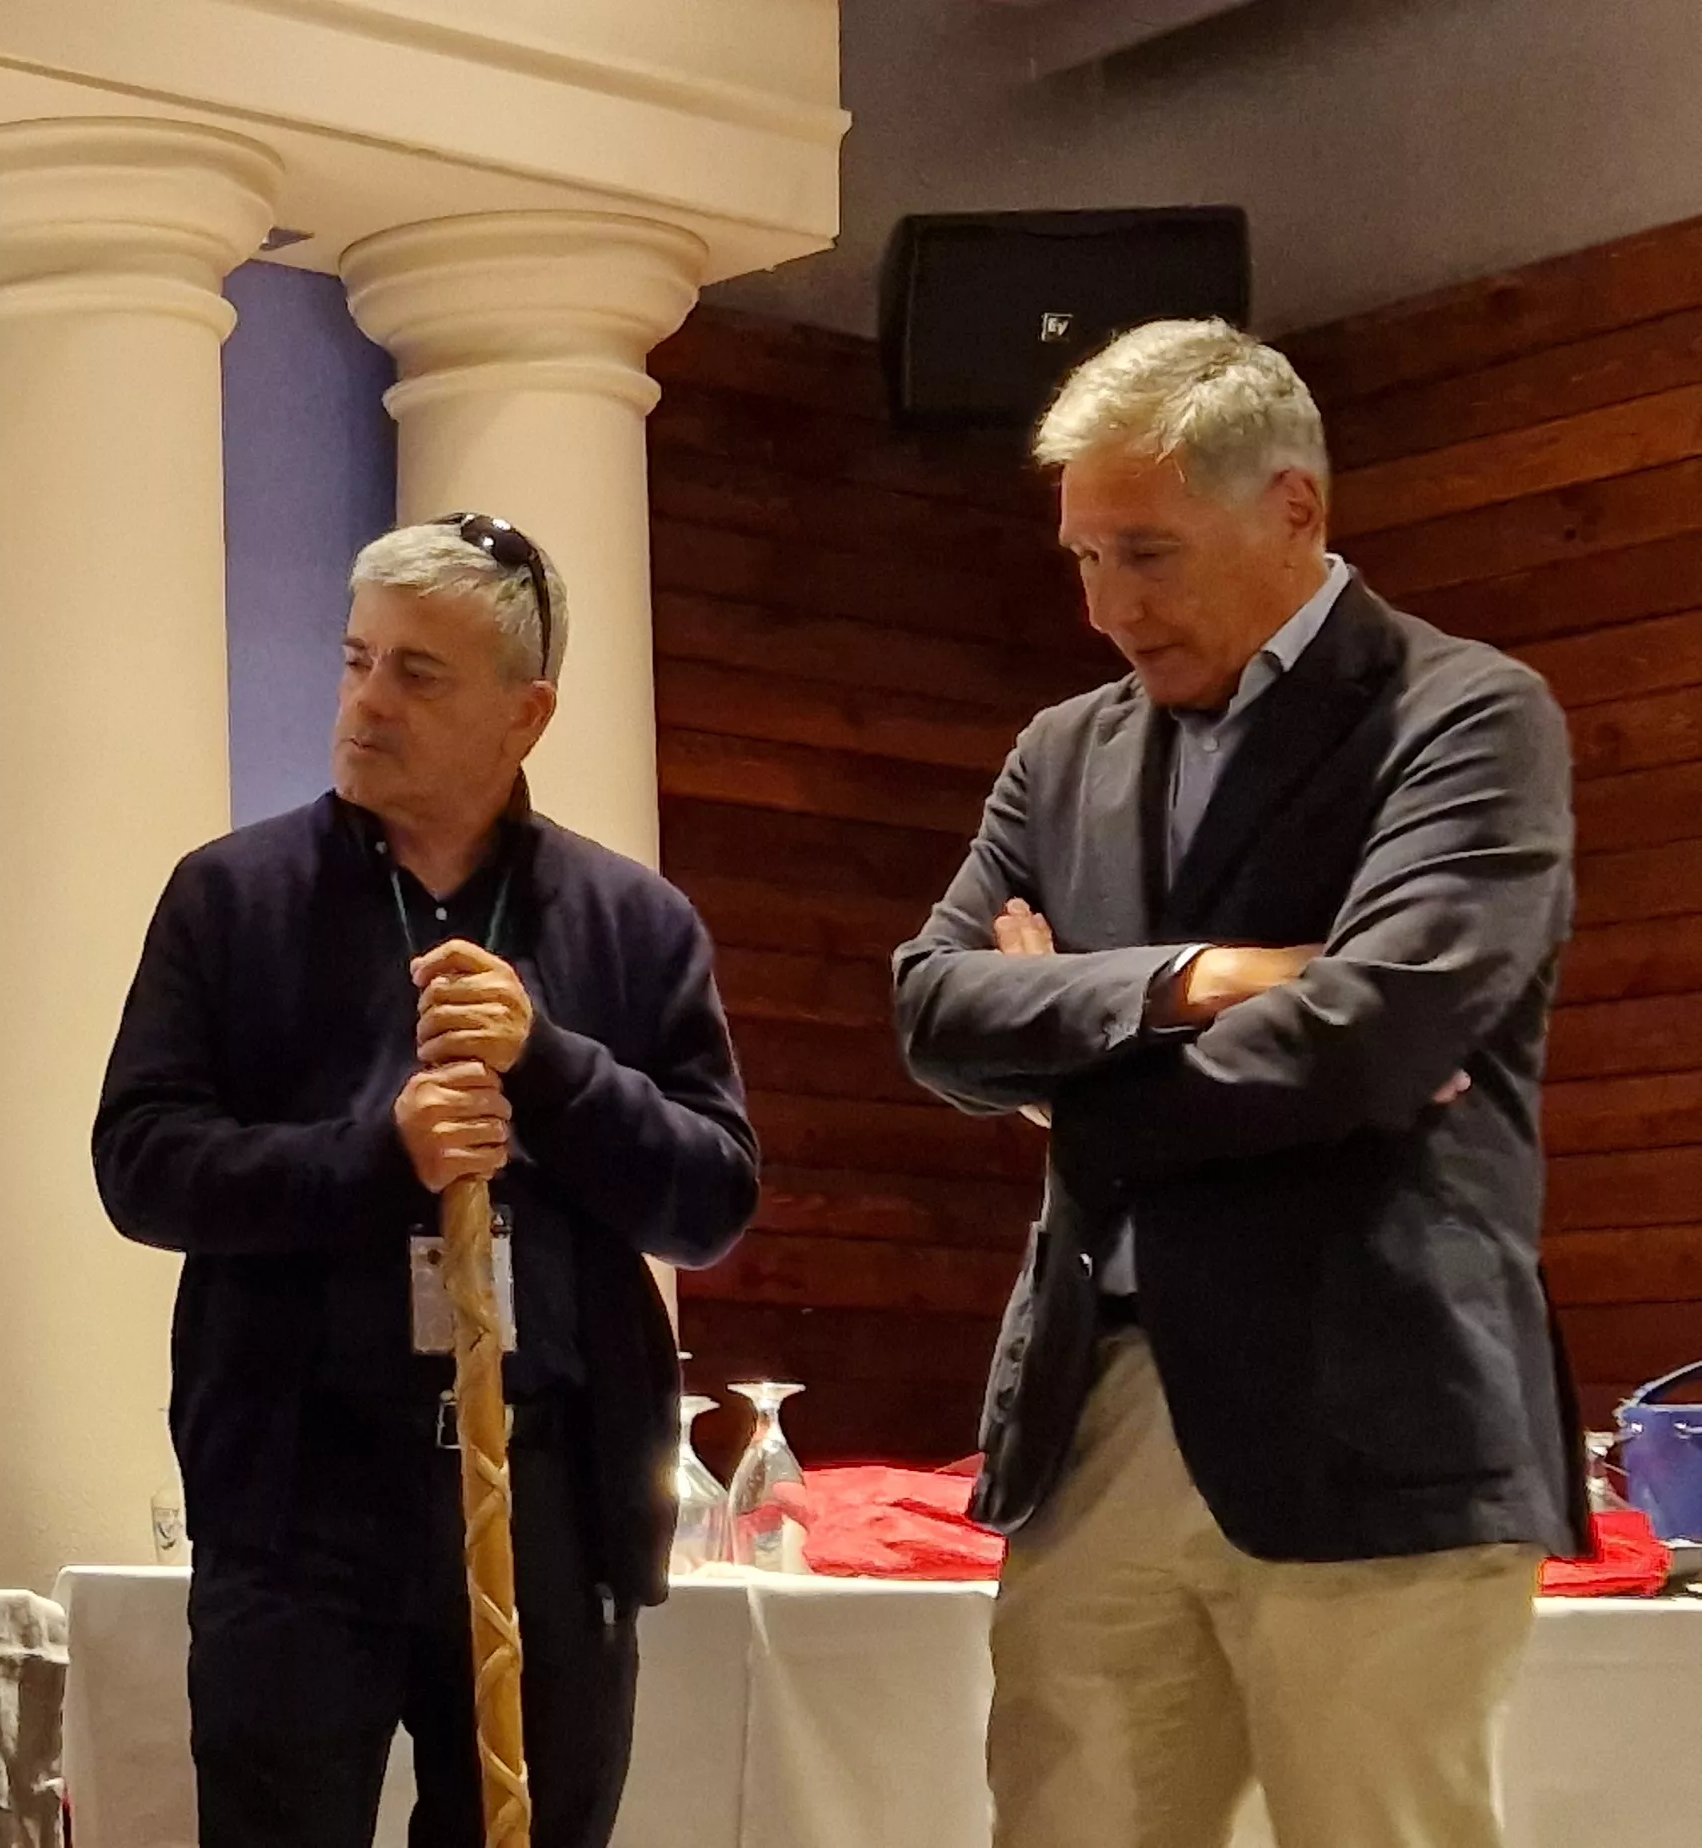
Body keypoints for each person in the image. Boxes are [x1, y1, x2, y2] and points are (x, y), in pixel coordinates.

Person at [892, 318, 1585, 1848]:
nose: (1107, 609)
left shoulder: (1464, 717)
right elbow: (934, 1006)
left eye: (1148, 554)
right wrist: (1196, 979)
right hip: (1107, 1401)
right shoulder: (1061, 752)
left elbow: (1369, 1036)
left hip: (1372, 1405)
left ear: (1295, 508)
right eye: (1083, 559)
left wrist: (1063, 1073)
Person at [92, 515, 757, 1848]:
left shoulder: (631, 923)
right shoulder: (229, 899)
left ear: (528, 713)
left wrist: (554, 1069)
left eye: (418, 674)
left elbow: (711, 1201)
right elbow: (143, 1168)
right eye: (357, 660)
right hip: (295, 1502)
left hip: (552, 1501)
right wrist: (374, 1155)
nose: (366, 703)